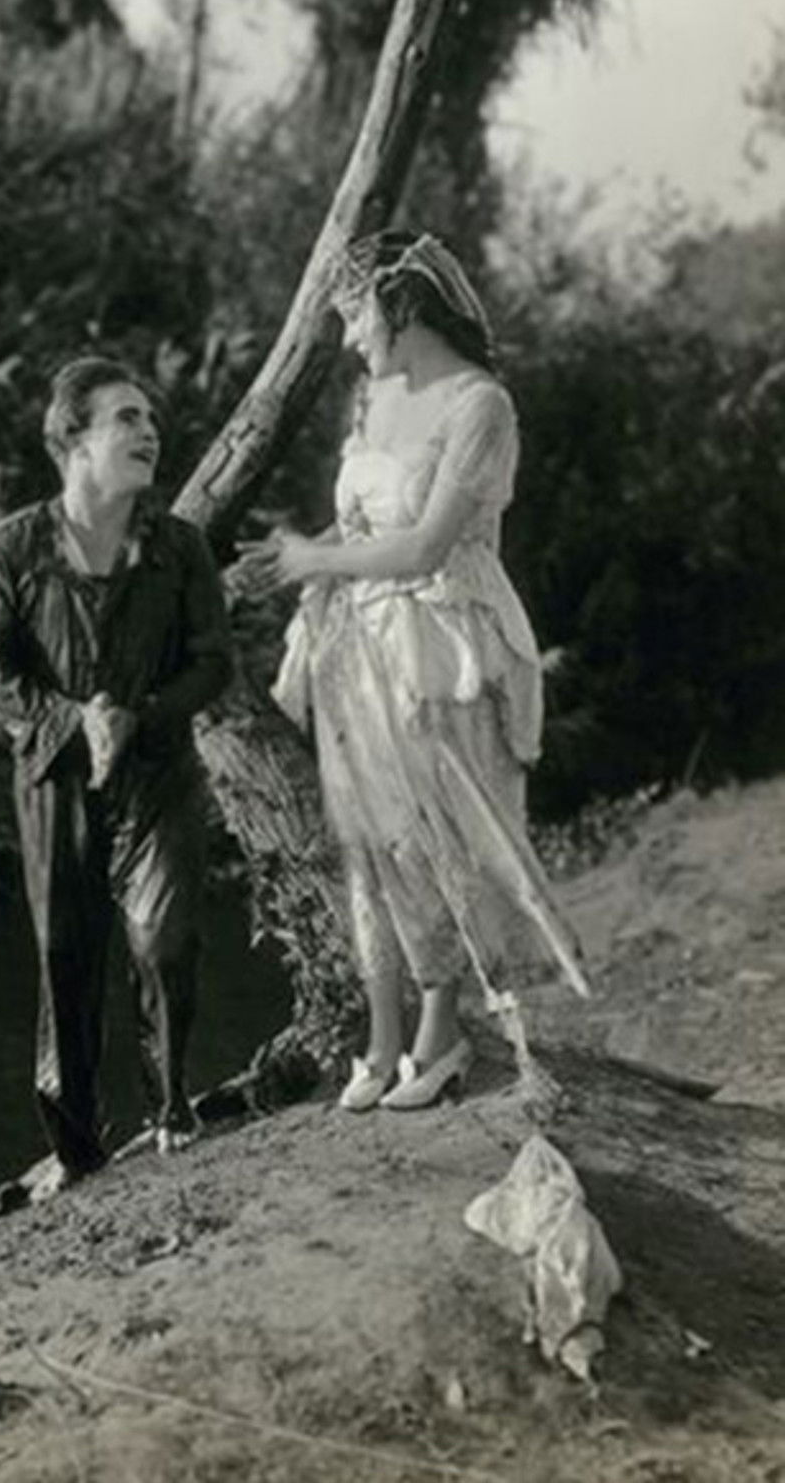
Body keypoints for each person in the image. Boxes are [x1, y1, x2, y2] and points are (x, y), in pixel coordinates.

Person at [236, 230, 588, 1113]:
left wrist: (316, 566)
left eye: (354, 316)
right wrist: (289, 561)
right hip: (361, 640)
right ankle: (384, 1033)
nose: (351, 339)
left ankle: (446, 1030)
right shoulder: (373, 399)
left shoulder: (481, 406)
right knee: (371, 838)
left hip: (444, 639)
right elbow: (358, 536)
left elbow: (429, 542)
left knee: (442, 830)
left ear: (399, 305)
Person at [0, 355, 233, 1195]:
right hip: (54, 775)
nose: (150, 432)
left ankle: (170, 1110)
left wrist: (138, 717)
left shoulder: (181, 547)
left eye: (151, 420)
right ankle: (76, 1149)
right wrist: (72, 720)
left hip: (158, 771)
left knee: (165, 939)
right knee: (66, 954)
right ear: (71, 441)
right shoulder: (11, 545)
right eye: (127, 418)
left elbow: (213, 663)